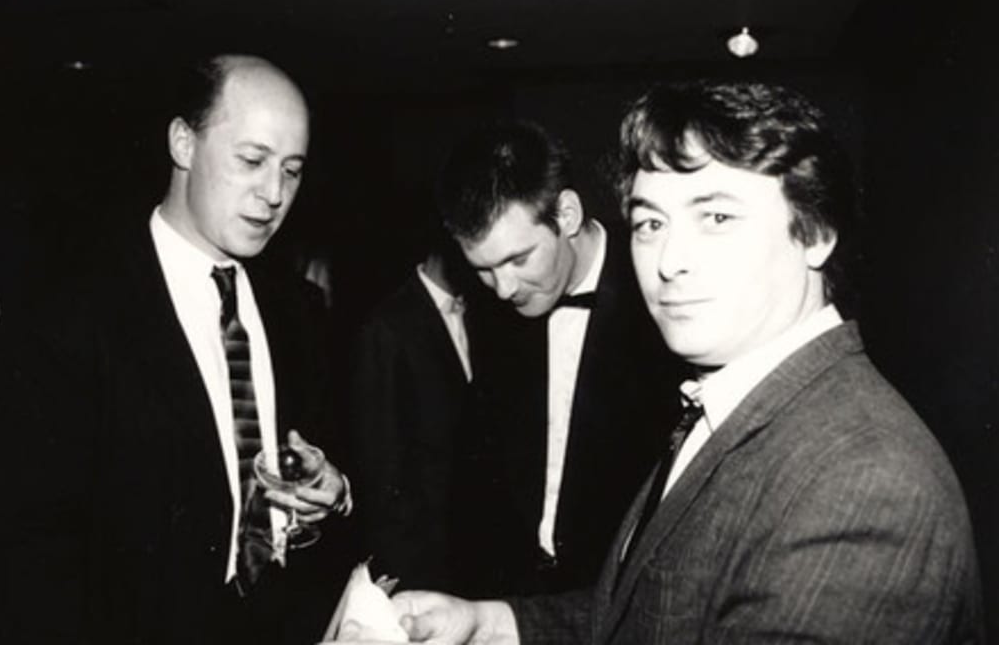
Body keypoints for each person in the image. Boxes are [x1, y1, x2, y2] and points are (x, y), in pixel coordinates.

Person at [327, 81, 983, 643]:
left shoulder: (864, 483)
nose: (669, 261)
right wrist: (492, 624)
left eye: (717, 216)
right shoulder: (724, 406)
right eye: (650, 223)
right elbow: (644, 615)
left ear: (814, 233)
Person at [0, 54, 353, 645]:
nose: (274, 193)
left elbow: (326, 474)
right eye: (251, 160)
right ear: (183, 143)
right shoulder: (67, 311)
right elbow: (22, 560)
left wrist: (335, 494)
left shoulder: (297, 308)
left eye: (293, 170)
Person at [434, 121, 680, 595]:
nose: (503, 289)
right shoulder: (496, 311)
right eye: (482, 269)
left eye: (518, 259)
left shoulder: (663, 304)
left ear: (566, 214)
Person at [344, 228, 482, 592]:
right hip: (422, 565)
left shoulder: (487, 312)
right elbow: (380, 470)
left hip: (475, 558)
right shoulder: (387, 327)